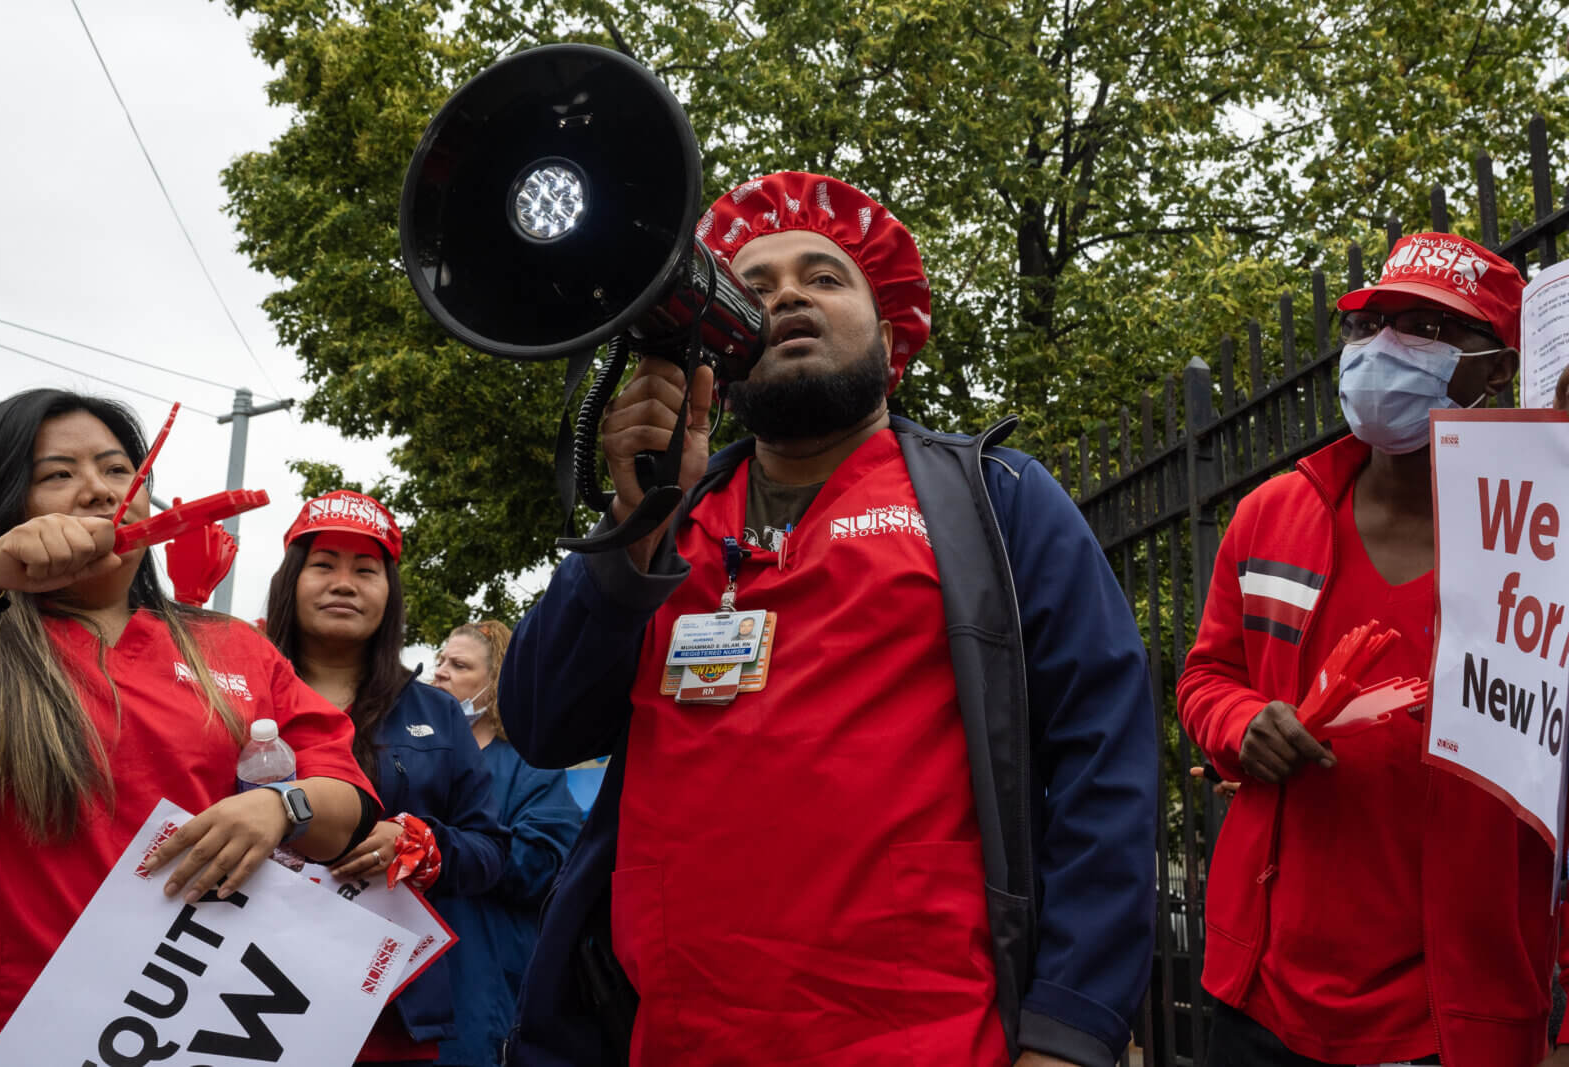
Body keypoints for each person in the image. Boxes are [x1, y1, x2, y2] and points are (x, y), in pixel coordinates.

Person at [499, 173, 1157, 1067]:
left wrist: (1070, 1029)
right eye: (755, 287)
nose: (788, 298)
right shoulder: (669, 515)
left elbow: (1106, 762)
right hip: (677, 1038)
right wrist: (632, 525)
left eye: (824, 278)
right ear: (716, 343)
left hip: (932, 1039)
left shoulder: (999, 502)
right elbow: (541, 723)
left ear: (890, 337)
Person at [1178, 231, 1569, 1067]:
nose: (1385, 348)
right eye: (1371, 324)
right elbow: (1208, 674)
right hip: (1262, 1002)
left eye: (1427, 327)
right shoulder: (1271, 514)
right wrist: (1240, 722)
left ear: (1494, 370)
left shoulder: (1545, 545)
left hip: (1451, 1021)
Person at [0, 390, 376, 1061]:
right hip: (7, 1026)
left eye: (117, 469)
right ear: (3, 498)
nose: (99, 492)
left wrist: (281, 805)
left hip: (190, 1029)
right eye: (58, 474)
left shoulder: (236, 649)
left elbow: (348, 801)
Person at [262, 491, 513, 1066]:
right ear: (290, 581)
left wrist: (425, 846)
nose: (344, 583)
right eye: (323, 565)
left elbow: (490, 850)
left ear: (389, 594)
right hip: (237, 987)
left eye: (366, 570)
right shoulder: (235, 691)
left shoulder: (436, 712)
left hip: (389, 1007)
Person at [429, 619, 582, 1067]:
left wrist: (448, 848)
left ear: (494, 685)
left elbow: (545, 866)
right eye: (440, 660)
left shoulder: (529, 769)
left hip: (481, 981)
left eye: (458, 665)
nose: (440, 671)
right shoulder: (406, 757)